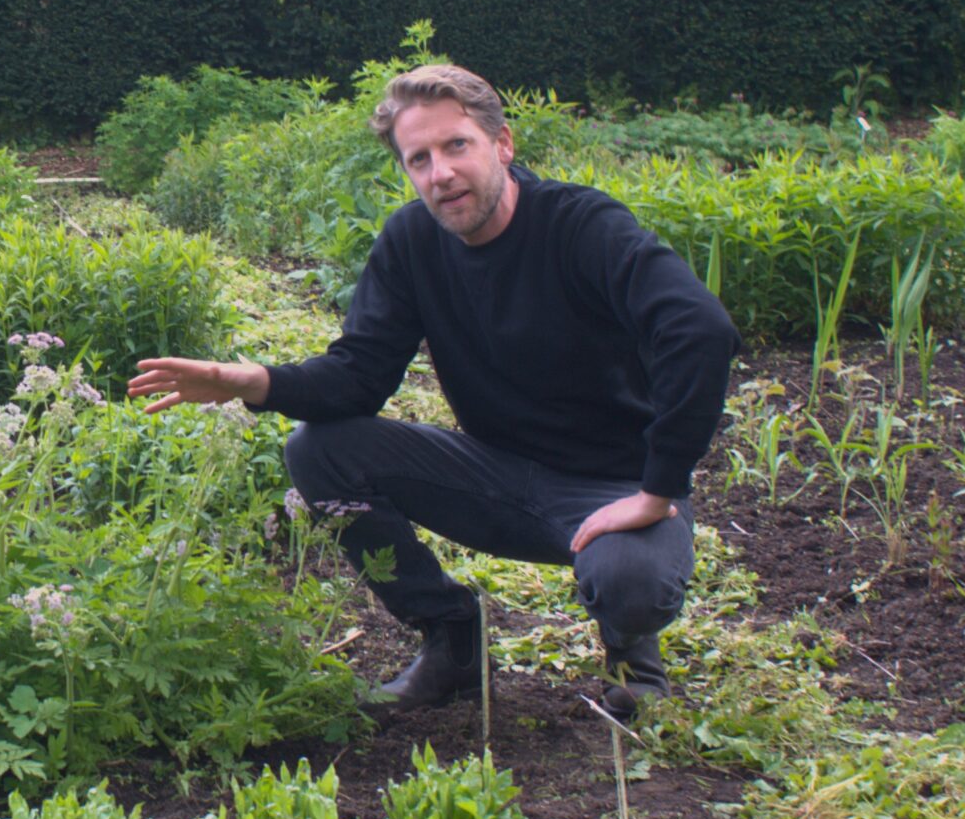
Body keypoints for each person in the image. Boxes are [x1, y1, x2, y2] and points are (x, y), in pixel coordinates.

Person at [129, 64, 737, 721]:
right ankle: (452, 640)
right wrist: (251, 381)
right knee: (321, 452)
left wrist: (656, 489)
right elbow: (360, 377)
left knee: (631, 583)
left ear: (502, 144)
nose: (440, 173)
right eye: (418, 159)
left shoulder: (579, 226)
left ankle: (631, 650)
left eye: (456, 146)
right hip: (496, 476)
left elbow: (698, 328)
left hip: (612, 486)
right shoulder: (413, 243)